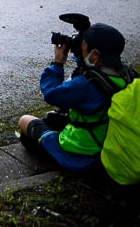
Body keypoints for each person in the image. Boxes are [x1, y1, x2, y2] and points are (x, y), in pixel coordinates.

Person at [18, 23, 132, 173]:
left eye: (82, 47)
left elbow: (51, 94)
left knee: (24, 120)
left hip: (85, 154)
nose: (80, 49)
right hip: (113, 143)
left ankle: (56, 157)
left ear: (95, 54)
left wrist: (58, 63)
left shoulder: (84, 84)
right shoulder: (128, 74)